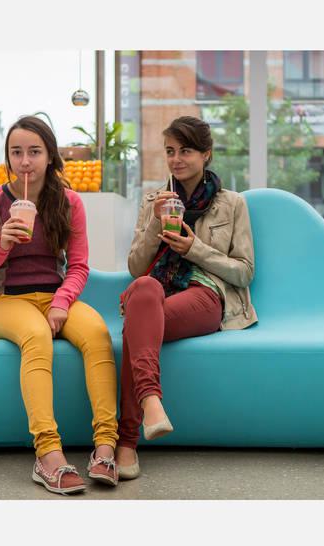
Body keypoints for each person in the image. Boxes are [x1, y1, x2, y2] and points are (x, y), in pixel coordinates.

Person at [0, 116, 119, 495]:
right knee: (37, 337)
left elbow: (79, 266)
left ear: (50, 156)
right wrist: (1, 245)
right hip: (5, 301)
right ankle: (47, 453)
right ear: (7, 157)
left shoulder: (69, 202)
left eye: (34, 152)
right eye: (16, 152)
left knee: (98, 334)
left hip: (54, 296)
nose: (24, 161)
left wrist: (61, 302)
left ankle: (106, 446)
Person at [114, 116, 258, 479]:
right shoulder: (154, 200)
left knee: (136, 323)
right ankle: (151, 404)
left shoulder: (232, 203)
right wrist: (154, 224)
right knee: (144, 289)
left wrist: (194, 248)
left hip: (205, 294)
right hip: (157, 293)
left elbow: (244, 272)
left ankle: (125, 442)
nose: (176, 159)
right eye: (170, 151)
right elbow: (135, 268)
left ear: (206, 154)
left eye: (186, 151)